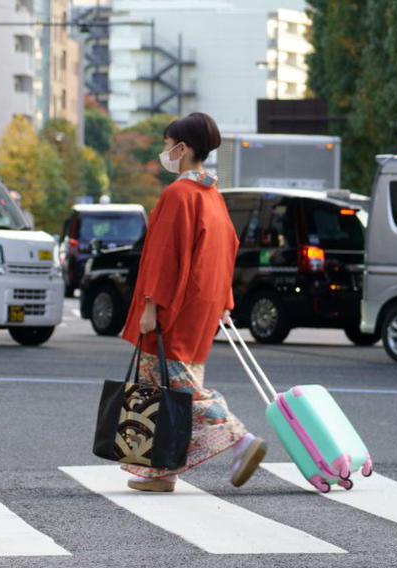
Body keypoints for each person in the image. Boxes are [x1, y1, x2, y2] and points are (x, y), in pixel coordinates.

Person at [120, 112, 267, 493]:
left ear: (183, 149)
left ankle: (239, 438)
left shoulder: (178, 195)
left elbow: (163, 255)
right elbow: (226, 251)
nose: (165, 152)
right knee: (170, 388)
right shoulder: (212, 197)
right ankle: (162, 471)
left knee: (176, 388)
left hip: (174, 306)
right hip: (204, 305)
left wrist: (151, 305)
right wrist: (224, 302)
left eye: (168, 145)